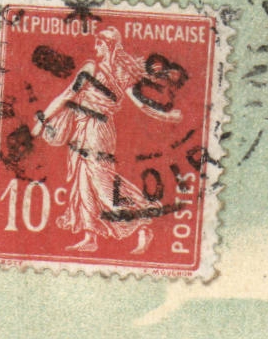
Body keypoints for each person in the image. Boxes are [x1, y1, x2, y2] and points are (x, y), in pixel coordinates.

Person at [30, 27, 182, 254]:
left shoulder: (121, 73)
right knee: (82, 183)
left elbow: (141, 103)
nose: (95, 48)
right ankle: (90, 236)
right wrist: (42, 121)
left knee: (102, 182)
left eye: (99, 44)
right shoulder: (89, 69)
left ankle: (142, 224)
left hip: (99, 131)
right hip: (81, 131)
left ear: (109, 46)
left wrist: (166, 115)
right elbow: (65, 96)